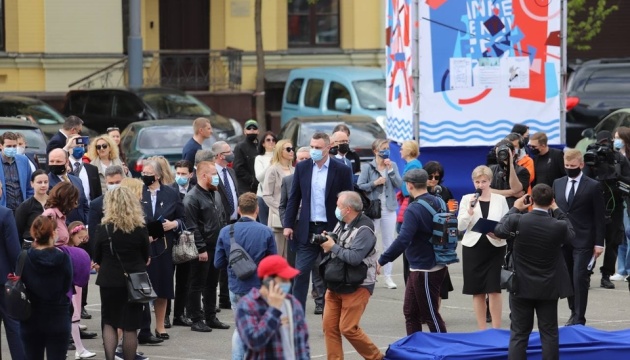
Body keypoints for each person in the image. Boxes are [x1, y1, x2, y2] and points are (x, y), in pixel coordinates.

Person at [494, 186, 574, 360]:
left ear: (532, 200)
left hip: (520, 285)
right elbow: (572, 236)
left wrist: (515, 207)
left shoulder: (517, 219)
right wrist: (558, 210)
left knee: (519, 333)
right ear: (552, 201)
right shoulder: (558, 225)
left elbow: (499, 229)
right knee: (549, 333)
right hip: (548, 287)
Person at [283, 132, 354, 309]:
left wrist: (347, 227)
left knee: (332, 274)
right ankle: (297, 315)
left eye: (318, 148)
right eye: (312, 147)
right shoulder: (303, 167)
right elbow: (294, 198)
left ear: (328, 148)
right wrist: (288, 225)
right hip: (307, 229)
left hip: (331, 229)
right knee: (300, 273)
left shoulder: (342, 170)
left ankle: (331, 312)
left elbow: (350, 201)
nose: (314, 150)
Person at [377, 169, 447, 334]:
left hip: (425, 269)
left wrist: (381, 260)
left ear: (409, 185)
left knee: (430, 315)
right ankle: (415, 348)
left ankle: (443, 350)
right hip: (433, 263)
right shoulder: (439, 201)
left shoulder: (413, 209)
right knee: (410, 312)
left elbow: (403, 240)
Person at [320, 191, 383, 360]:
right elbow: (338, 245)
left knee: (348, 328)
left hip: (358, 284)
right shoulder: (342, 223)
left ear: (348, 209)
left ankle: (376, 357)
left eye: (338, 206)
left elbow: (355, 258)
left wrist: (332, 246)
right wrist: (329, 240)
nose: (336, 209)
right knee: (329, 327)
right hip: (335, 282)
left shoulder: (365, 229)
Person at [214, 192, 277, 360]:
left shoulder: (226, 231)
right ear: (257, 209)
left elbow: (218, 263)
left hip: (236, 286)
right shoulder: (266, 231)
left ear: (238, 209)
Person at [93, 187, 150, 360]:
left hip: (109, 280)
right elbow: (145, 255)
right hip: (134, 281)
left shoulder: (103, 229)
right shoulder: (140, 228)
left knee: (109, 322)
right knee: (130, 326)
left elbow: (97, 257)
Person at [553, 148, 606, 326]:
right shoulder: (558, 183)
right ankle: (573, 312)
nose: (569, 168)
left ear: (581, 165)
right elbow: (555, 212)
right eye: (567, 165)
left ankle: (579, 318)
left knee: (579, 277)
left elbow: (600, 216)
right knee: (567, 278)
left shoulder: (593, 185)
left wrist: (599, 243)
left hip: (584, 239)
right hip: (563, 238)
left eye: (573, 165)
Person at [457, 165, 509, 329]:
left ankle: (496, 328)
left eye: (484, 181)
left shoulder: (500, 200)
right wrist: (469, 211)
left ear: (490, 181)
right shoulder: (467, 199)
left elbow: (507, 222)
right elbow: (460, 226)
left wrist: (500, 233)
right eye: (477, 182)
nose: (480, 185)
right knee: (477, 289)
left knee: (494, 289)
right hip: (473, 247)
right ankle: (482, 329)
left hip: (495, 246)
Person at [138, 159, 184, 342]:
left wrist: (174, 224)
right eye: (143, 172)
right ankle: (143, 328)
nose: (144, 175)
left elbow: (183, 218)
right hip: (142, 245)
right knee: (142, 288)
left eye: (148, 172)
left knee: (163, 287)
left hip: (164, 246)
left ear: (157, 175)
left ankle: (160, 325)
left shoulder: (172, 193)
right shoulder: (138, 192)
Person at [183, 160, 230, 332]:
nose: (217, 177)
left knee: (211, 283)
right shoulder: (192, 197)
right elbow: (192, 226)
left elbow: (222, 218)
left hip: (216, 246)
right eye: (214, 174)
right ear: (203, 175)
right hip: (202, 248)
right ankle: (196, 318)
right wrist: (201, 248)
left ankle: (210, 316)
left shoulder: (214, 193)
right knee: (197, 283)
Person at [235, 255, 309, 360]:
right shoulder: (247, 305)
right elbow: (254, 342)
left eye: (288, 280)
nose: (287, 284)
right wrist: (274, 310)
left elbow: (303, 343)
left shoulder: (293, 303)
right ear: (267, 280)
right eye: (283, 280)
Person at [278, 147, 325, 313]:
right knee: (297, 270)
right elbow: (283, 205)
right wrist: (287, 224)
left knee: (319, 267)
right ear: (296, 161)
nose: (304, 161)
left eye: (307, 158)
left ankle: (320, 302)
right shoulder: (288, 180)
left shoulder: (318, 179)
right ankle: (294, 305)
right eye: (301, 159)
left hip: (315, 228)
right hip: (295, 231)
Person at [19, 215, 73, 360]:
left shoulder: (24, 257)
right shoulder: (63, 258)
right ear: (53, 233)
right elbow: (67, 285)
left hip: (31, 317)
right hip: (58, 315)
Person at [583, 130, 630, 289]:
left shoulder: (619, 158)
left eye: (607, 143)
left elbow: (628, 179)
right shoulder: (591, 157)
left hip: (615, 204)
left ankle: (606, 275)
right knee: (590, 241)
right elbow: (584, 180)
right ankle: (587, 274)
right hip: (594, 206)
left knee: (613, 242)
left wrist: (616, 176)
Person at [357, 139, 402, 289]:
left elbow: (399, 185)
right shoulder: (368, 167)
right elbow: (360, 185)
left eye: (387, 148)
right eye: (383, 149)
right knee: (371, 242)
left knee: (389, 242)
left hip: (389, 209)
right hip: (373, 209)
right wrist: (375, 183)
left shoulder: (392, 165)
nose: (386, 151)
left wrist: (390, 171)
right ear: (375, 151)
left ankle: (388, 277)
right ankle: (370, 274)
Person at [63, 221, 97, 359]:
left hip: (76, 286)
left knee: (75, 317)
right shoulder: (67, 250)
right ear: (72, 235)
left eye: (84, 238)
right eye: (80, 237)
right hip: (71, 287)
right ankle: (79, 349)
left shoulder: (73, 250)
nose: (82, 240)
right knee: (73, 316)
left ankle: (79, 348)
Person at [166, 160, 194, 328]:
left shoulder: (195, 189)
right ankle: (166, 315)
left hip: (188, 240)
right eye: (178, 173)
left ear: (191, 174)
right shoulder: (169, 191)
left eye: (184, 174)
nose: (180, 176)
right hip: (171, 239)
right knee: (168, 279)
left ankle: (179, 314)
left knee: (184, 280)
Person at [211, 141, 239, 310]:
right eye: (228, 151)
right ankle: (220, 297)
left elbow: (235, 193)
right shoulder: (213, 172)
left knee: (233, 259)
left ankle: (226, 296)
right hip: (221, 223)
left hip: (235, 221)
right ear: (220, 155)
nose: (231, 154)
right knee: (221, 260)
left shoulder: (230, 171)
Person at [424, 161, 455, 304]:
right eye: (430, 176)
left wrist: (452, 211)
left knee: (440, 274)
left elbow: (452, 210)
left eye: (437, 177)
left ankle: (435, 310)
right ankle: (423, 309)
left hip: (441, 236)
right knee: (421, 275)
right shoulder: (420, 190)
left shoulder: (444, 191)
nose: (433, 180)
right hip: (424, 236)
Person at [0, 186, 26, 360]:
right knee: (14, 325)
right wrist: (19, 275)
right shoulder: (5, 214)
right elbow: (14, 249)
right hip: (5, 279)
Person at [396, 139, 423, 285]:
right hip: (406, 201)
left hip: (409, 201)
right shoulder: (410, 164)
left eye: (402, 148)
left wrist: (403, 188)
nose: (400, 150)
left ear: (408, 150)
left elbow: (408, 188)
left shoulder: (413, 165)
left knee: (405, 236)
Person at [262, 139, 294, 257]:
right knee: (278, 254)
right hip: (277, 217)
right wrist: (282, 210)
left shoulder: (294, 170)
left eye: (292, 149)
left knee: (290, 255)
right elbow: (266, 195)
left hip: (293, 217)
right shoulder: (273, 169)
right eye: (288, 149)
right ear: (280, 152)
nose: (292, 152)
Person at [47, 148, 90, 224]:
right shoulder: (47, 183)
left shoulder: (77, 180)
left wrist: (85, 223)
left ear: (67, 162)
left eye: (58, 161)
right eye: (52, 161)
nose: (55, 164)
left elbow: (84, 205)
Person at [612, 127, 630, 281]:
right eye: (615, 137)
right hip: (618, 200)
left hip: (628, 200)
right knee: (621, 236)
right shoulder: (613, 156)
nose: (616, 140)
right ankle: (622, 269)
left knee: (629, 233)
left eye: (619, 137)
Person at [489, 139, 529, 207]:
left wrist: (510, 164)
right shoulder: (491, 170)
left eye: (504, 153)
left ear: (513, 153)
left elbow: (516, 188)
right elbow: (486, 191)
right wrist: (512, 193)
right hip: (496, 209)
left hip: (515, 210)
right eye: (499, 153)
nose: (501, 156)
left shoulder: (522, 171)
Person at [0, 131, 34, 211]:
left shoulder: (23, 160)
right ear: (1, 146)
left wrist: (28, 205)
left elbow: (29, 187)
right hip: (3, 210)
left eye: (14, 146)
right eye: (8, 146)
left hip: (21, 209)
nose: (12, 149)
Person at [15, 169, 49, 248]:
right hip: (31, 246)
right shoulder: (25, 206)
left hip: (51, 245)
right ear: (32, 184)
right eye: (39, 182)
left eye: (46, 182)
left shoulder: (54, 203)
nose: (43, 185)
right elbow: (18, 231)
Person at [69, 138, 102, 202]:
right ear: (68, 148)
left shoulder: (92, 169)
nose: (80, 148)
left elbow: (98, 194)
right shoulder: (64, 167)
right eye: (77, 146)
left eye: (82, 146)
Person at [254, 131, 277, 226]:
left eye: (273, 140)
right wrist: (270, 164)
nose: (271, 142)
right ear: (263, 143)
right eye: (268, 140)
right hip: (262, 195)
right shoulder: (259, 158)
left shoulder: (281, 157)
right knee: (264, 225)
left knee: (277, 224)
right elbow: (259, 177)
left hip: (277, 196)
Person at [233, 119, 260, 195]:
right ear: (244, 131)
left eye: (254, 128)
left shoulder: (261, 146)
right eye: (249, 128)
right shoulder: (240, 147)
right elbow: (238, 168)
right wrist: (252, 180)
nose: (252, 130)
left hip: (260, 188)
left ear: (258, 131)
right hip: (245, 188)